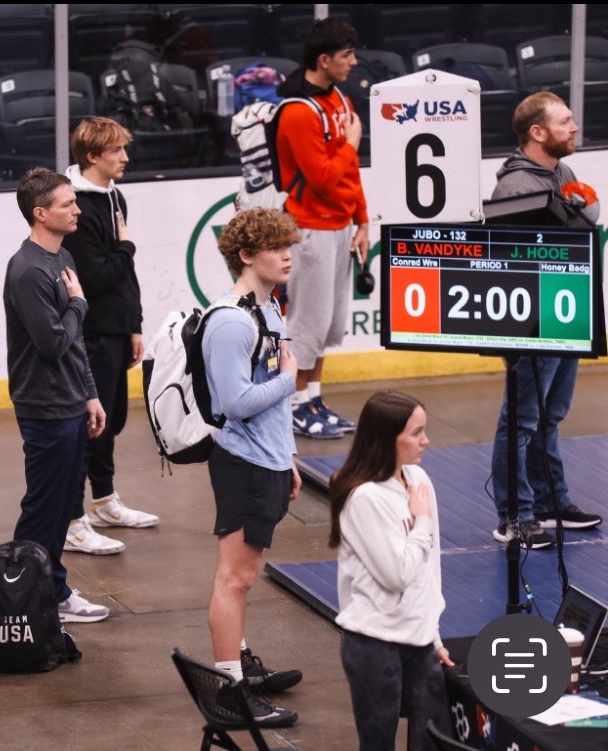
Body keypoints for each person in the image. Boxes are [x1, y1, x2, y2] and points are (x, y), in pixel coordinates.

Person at [203, 208, 304, 728]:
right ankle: (229, 694)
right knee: (235, 579)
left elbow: (273, 406)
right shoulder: (230, 322)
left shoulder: (269, 308)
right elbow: (237, 401)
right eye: (274, 246)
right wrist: (292, 378)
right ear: (246, 255)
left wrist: (287, 457)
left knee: (241, 577)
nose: (287, 254)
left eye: (289, 244)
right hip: (241, 463)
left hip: (266, 459)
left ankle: (239, 665)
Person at [488, 92, 602, 549]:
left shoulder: (563, 171)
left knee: (550, 415)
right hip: (534, 319)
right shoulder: (515, 186)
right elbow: (541, 248)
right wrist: (576, 218)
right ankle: (514, 515)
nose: (574, 128)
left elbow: (583, 226)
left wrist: (576, 217)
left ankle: (551, 501)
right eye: (565, 121)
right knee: (522, 419)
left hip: (567, 310)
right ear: (537, 132)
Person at [3, 167, 111, 623]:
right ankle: (22, 594)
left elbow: (74, 346)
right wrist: (80, 305)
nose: (77, 210)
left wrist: (90, 393)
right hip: (44, 407)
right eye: (67, 204)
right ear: (40, 213)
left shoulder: (60, 256)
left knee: (63, 510)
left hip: (69, 402)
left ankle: (54, 589)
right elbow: (52, 343)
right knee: (42, 510)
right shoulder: (27, 270)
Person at [329, 390, 453, 751]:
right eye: (416, 433)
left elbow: (431, 566)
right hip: (374, 643)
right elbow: (396, 574)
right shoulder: (364, 497)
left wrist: (434, 635)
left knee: (432, 741)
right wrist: (422, 521)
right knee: (378, 744)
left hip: (419, 641)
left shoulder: (419, 480)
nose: (425, 441)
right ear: (387, 437)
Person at [62, 117, 159, 557]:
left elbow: (125, 277)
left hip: (117, 328)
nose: (125, 157)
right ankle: (73, 518)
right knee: (93, 424)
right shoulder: (76, 206)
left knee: (113, 421)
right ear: (91, 157)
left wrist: (134, 324)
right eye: (116, 151)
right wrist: (127, 246)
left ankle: (103, 500)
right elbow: (96, 277)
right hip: (93, 332)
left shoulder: (114, 195)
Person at [275, 17, 369, 439]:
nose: (353, 61)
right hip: (309, 229)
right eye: (346, 55)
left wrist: (362, 219)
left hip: (340, 226)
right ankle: (293, 404)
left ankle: (313, 397)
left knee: (329, 324)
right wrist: (350, 145)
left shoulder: (340, 100)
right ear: (324, 59)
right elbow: (324, 178)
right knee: (306, 325)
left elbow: (350, 177)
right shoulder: (298, 111)